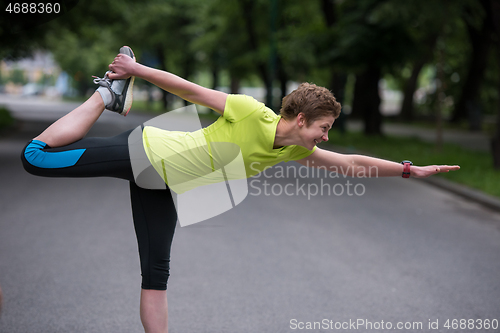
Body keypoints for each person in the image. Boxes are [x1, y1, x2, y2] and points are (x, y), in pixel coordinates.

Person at [21, 46, 459, 333]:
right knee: (34, 158)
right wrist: (135, 70)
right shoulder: (250, 112)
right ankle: (105, 97)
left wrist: (407, 169)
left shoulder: (292, 151)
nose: (326, 138)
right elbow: (188, 89)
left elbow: (349, 164)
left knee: (156, 276)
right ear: (302, 119)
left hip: (163, 187)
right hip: (146, 154)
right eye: (324, 128)